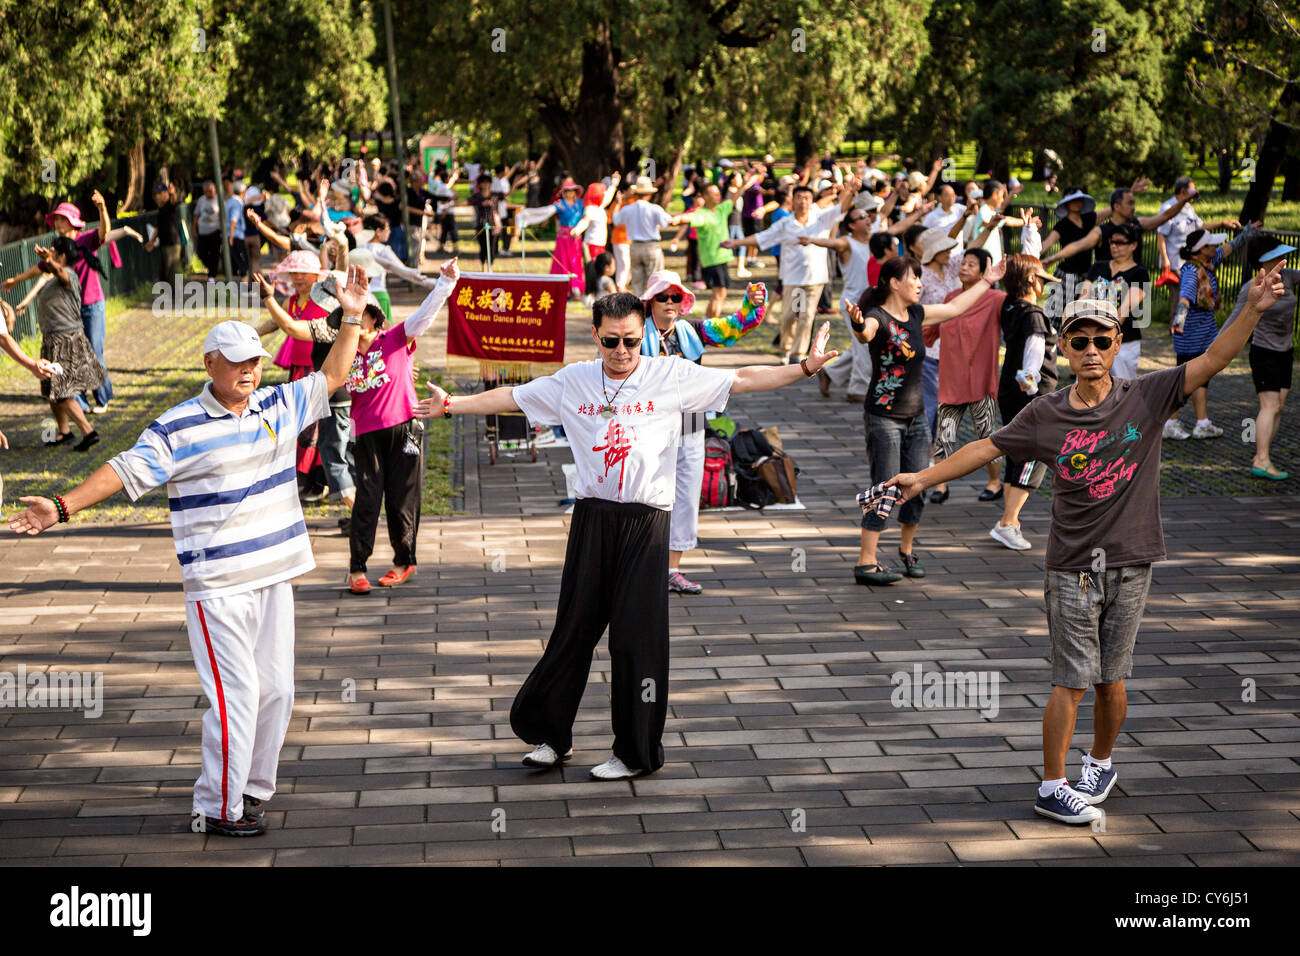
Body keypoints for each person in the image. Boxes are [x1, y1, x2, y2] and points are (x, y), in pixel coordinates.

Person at [876, 265, 1288, 824]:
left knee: (1112, 679)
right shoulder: (1047, 413)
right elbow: (988, 448)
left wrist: (1253, 309)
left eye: (1102, 338)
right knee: (1070, 678)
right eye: (1079, 341)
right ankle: (1052, 785)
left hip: (1133, 559)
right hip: (1073, 566)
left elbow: (1213, 359)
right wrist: (920, 478)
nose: (1091, 349)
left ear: (1117, 343)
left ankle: (1100, 761)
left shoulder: (1146, 395)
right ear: (1065, 348)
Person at [8, 266, 375, 836]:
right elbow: (123, 471)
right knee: (237, 699)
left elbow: (331, 374)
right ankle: (217, 807)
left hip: (274, 575)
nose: (250, 369)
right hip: (218, 588)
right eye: (236, 360)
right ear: (210, 365)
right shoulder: (178, 427)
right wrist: (61, 506)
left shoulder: (280, 405)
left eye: (255, 359)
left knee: (278, 692)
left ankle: (252, 790)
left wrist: (351, 315)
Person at [413, 292, 841, 781]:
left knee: (637, 641)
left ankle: (635, 751)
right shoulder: (573, 381)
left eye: (632, 342)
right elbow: (515, 396)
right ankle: (553, 737)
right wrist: (451, 406)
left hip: (646, 522)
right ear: (596, 336)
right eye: (612, 341)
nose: (621, 351)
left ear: (644, 337)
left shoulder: (668, 376)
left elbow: (741, 379)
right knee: (573, 630)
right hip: (593, 518)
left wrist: (804, 367)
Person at [846, 253, 1009, 585]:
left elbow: (955, 308)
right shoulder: (878, 317)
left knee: (919, 484)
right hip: (884, 417)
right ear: (894, 283)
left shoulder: (917, 314)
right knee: (884, 485)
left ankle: (906, 551)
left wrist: (988, 279)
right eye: (914, 277)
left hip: (917, 417)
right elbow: (866, 333)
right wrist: (857, 323)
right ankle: (866, 561)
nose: (920, 283)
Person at [637, 270, 767, 593]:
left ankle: (671, 569)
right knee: (645, 496)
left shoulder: (691, 331)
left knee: (685, 499)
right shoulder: (635, 334)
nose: (669, 303)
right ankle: (638, 564)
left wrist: (751, 305)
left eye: (675, 297)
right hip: (649, 428)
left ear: (683, 302)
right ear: (649, 301)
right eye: (662, 297)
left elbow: (731, 328)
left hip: (692, 426)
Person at [723, 178, 854, 364]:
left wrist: (851, 191)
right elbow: (762, 238)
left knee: (807, 316)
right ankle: (786, 348)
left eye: (807, 198)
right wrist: (736, 243)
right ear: (793, 201)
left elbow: (841, 209)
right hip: (792, 278)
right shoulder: (785, 224)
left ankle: (797, 354)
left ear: (811, 200)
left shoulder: (821, 219)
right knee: (789, 316)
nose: (803, 201)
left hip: (815, 278)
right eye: (799, 197)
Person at [990, 251, 1062, 550]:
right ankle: (1007, 522)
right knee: (1037, 454)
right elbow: (1033, 356)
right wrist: (1032, 388)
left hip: (1008, 390)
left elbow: (1025, 265)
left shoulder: (1010, 306)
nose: (1044, 285)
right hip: (1030, 395)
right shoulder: (1034, 315)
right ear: (1031, 281)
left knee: (1016, 453)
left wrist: (1030, 234)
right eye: (1040, 279)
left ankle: (1011, 521)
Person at [1166, 224, 1260, 440]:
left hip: (1203, 334)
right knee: (1186, 381)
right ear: (1201, 250)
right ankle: (1169, 422)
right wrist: (1179, 320)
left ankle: (1202, 423)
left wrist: (1247, 232)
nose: (1216, 246)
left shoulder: (1208, 261)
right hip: (1190, 337)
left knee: (1202, 378)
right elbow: (1185, 297)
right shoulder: (1192, 271)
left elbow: (1228, 247)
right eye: (1211, 244)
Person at [1220, 237, 1298, 480]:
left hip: (1285, 351)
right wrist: (1211, 352)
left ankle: (1262, 456)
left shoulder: (1289, 277)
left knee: (1280, 407)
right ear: (1264, 260)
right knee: (1270, 406)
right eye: (1276, 256)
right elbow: (1231, 321)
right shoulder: (1251, 288)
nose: (1282, 260)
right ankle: (1262, 459)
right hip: (1264, 352)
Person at [24, 238, 107, 451]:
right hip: (53, 341)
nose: (50, 250)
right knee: (52, 391)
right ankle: (65, 432)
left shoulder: (68, 274)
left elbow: (59, 272)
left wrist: (49, 261)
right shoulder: (52, 277)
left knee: (62, 392)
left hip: (66, 342)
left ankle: (88, 432)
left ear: (61, 256)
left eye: (54, 249)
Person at [1043, 181, 1190, 271]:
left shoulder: (1138, 224)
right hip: (1104, 284)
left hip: (1134, 282)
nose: (1133, 207)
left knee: (1134, 322)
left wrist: (1183, 201)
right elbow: (1077, 245)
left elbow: (1165, 216)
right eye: (1130, 204)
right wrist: (1053, 258)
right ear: (1117, 206)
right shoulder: (1099, 231)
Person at [1080, 221, 1149, 379]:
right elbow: (1082, 300)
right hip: (1092, 341)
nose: (1114, 246)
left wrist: (1102, 335)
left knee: (1122, 392)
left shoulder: (1139, 274)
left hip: (1123, 343)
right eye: (1111, 242)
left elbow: (1124, 310)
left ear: (1133, 245)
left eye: (1120, 242)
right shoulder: (1098, 267)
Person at [611, 177, 691, 296]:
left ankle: (638, 309)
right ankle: (652, 308)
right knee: (656, 281)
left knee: (637, 282)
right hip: (651, 246)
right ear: (649, 194)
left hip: (634, 246)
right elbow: (669, 221)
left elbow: (615, 220)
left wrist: (618, 204)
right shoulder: (654, 209)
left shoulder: (627, 209)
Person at [1156, 177, 1240, 276]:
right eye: (1192, 190)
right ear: (1183, 192)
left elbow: (1200, 226)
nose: (1195, 193)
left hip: (1187, 262)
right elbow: (1161, 236)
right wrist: (1164, 259)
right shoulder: (1167, 208)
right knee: (1179, 291)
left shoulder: (1188, 208)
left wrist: (1222, 223)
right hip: (1173, 264)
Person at [145, 181, 184, 282]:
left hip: (173, 243)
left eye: (158, 194)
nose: (156, 197)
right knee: (164, 271)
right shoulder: (161, 209)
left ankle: (177, 294)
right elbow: (158, 227)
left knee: (173, 270)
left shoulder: (170, 205)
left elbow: (174, 201)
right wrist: (152, 241)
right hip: (164, 243)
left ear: (164, 193)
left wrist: (173, 193)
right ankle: (168, 294)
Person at [192, 181, 224, 278]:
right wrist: (194, 228)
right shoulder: (202, 200)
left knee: (215, 253)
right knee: (201, 252)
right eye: (205, 191)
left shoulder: (219, 200)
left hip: (215, 231)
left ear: (214, 190)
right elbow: (196, 215)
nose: (208, 193)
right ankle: (212, 268)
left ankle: (212, 275)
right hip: (203, 231)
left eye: (210, 191)